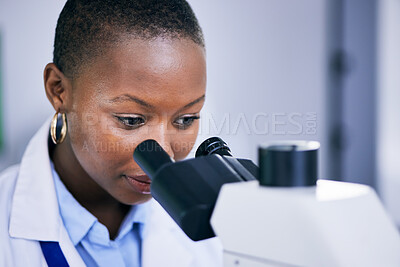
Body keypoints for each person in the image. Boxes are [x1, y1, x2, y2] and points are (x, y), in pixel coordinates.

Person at [0, 0, 223, 266]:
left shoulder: (216, 226)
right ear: (59, 90)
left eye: (186, 119)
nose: (164, 152)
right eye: (131, 120)